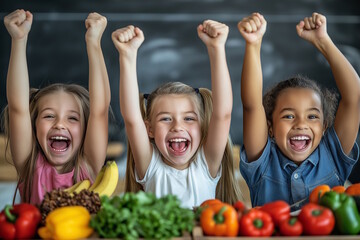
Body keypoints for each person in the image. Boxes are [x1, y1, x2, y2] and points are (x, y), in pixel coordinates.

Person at [112, 20, 242, 208]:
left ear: (202, 125)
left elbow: (222, 114)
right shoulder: (151, 166)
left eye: (189, 118)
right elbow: (132, 119)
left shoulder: (206, 164)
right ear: (149, 129)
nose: (177, 126)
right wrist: (127, 55)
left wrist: (217, 48)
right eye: (165, 118)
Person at [238, 12, 360, 210]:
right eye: (288, 116)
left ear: (324, 126)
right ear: (270, 127)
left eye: (312, 116)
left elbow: (354, 97)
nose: (301, 124)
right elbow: (251, 105)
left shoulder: (333, 155)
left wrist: (323, 41)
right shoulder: (262, 161)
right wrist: (253, 44)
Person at [2, 9, 111, 205]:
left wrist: (94, 43)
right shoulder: (30, 166)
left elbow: (100, 110)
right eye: (49, 116)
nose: (60, 124)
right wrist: (19, 40)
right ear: (33, 125)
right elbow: (17, 108)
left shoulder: (89, 166)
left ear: (87, 129)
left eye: (73, 118)